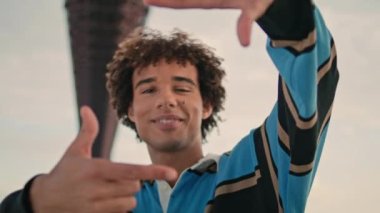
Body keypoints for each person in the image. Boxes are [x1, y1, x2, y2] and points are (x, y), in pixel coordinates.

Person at [0, 0, 339, 212]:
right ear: (129, 111)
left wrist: (284, 10)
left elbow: (313, 89)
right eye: (148, 90)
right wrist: (30, 204)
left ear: (206, 104)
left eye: (182, 86)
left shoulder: (263, 171)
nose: (166, 99)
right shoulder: (104, 205)